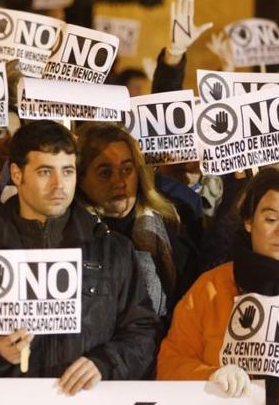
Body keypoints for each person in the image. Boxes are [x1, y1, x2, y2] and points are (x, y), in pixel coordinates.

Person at [0, 120, 159, 392]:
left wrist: (105, 363)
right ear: (17, 174)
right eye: (44, 172)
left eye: (68, 171)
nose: (59, 185)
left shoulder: (113, 250)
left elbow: (144, 332)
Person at [158, 168, 279, 403]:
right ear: (248, 221)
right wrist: (209, 378)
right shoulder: (210, 287)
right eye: (271, 219)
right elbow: (170, 364)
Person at [76, 123, 198, 319]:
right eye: (105, 173)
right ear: (80, 179)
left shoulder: (172, 223)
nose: (120, 182)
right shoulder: (71, 236)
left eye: (127, 169)